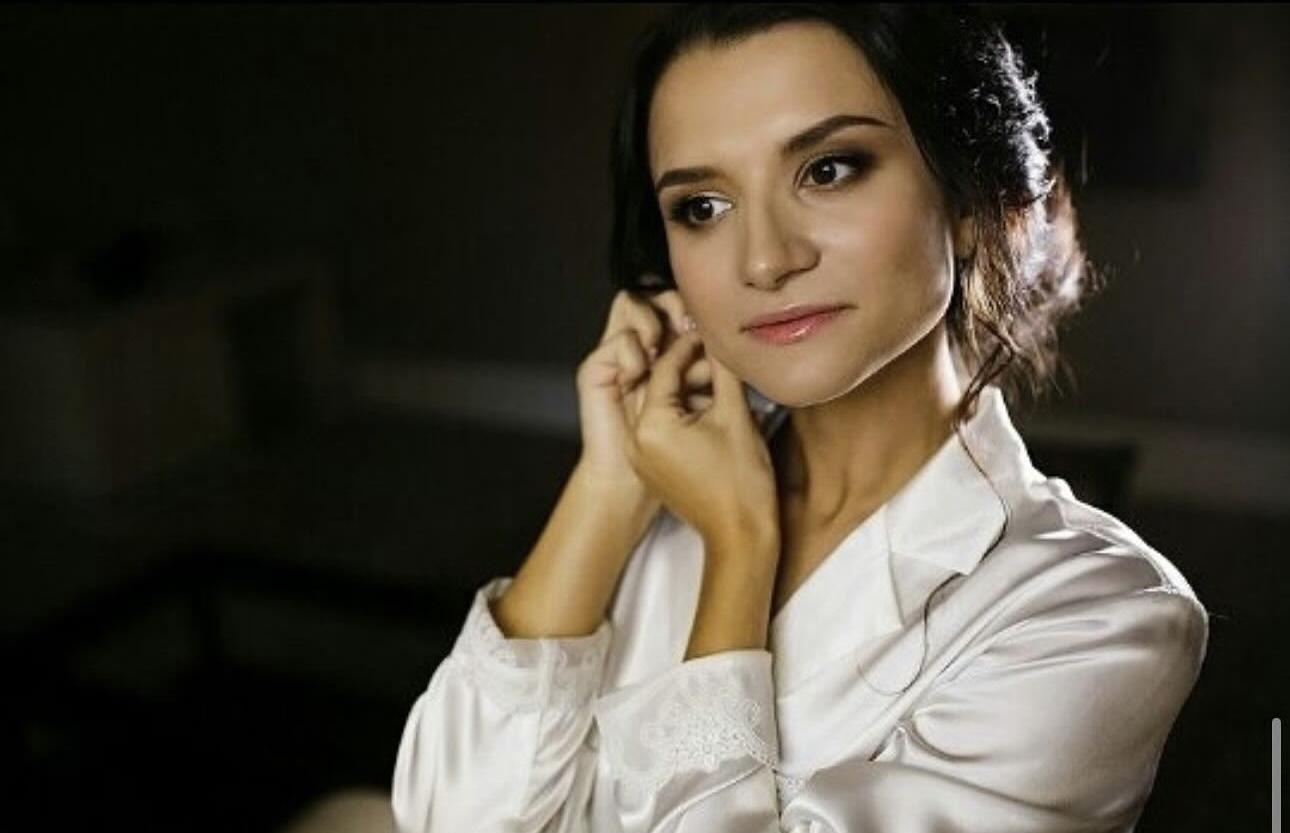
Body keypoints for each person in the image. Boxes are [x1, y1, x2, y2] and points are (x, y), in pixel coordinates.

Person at [390, 5, 1209, 832]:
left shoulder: (1097, 616)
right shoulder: (658, 487)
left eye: (828, 169)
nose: (765, 260)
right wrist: (608, 487)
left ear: (969, 201)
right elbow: (440, 819)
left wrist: (739, 552)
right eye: (702, 206)